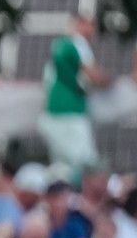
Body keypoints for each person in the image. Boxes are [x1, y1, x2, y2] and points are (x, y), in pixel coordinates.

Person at [40, 13, 107, 171]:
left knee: (62, 165)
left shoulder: (61, 45)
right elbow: (93, 75)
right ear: (79, 25)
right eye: (88, 24)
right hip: (68, 113)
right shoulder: (76, 44)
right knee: (84, 162)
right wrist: (108, 80)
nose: (92, 30)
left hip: (56, 111)